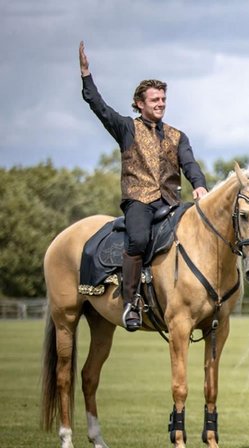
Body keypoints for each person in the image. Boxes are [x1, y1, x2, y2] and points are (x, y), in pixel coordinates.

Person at [79, 41, 208, 332]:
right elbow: (99, 107)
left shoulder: (177, 135)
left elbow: (190, 164)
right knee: (137, 239)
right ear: (140, 103)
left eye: (163, 99)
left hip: (171, 202)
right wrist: (87, 76)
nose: (160, 103)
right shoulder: (127, 128)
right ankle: (130, 302)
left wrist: (199, 185)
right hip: (138, 200)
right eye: (154, 100)